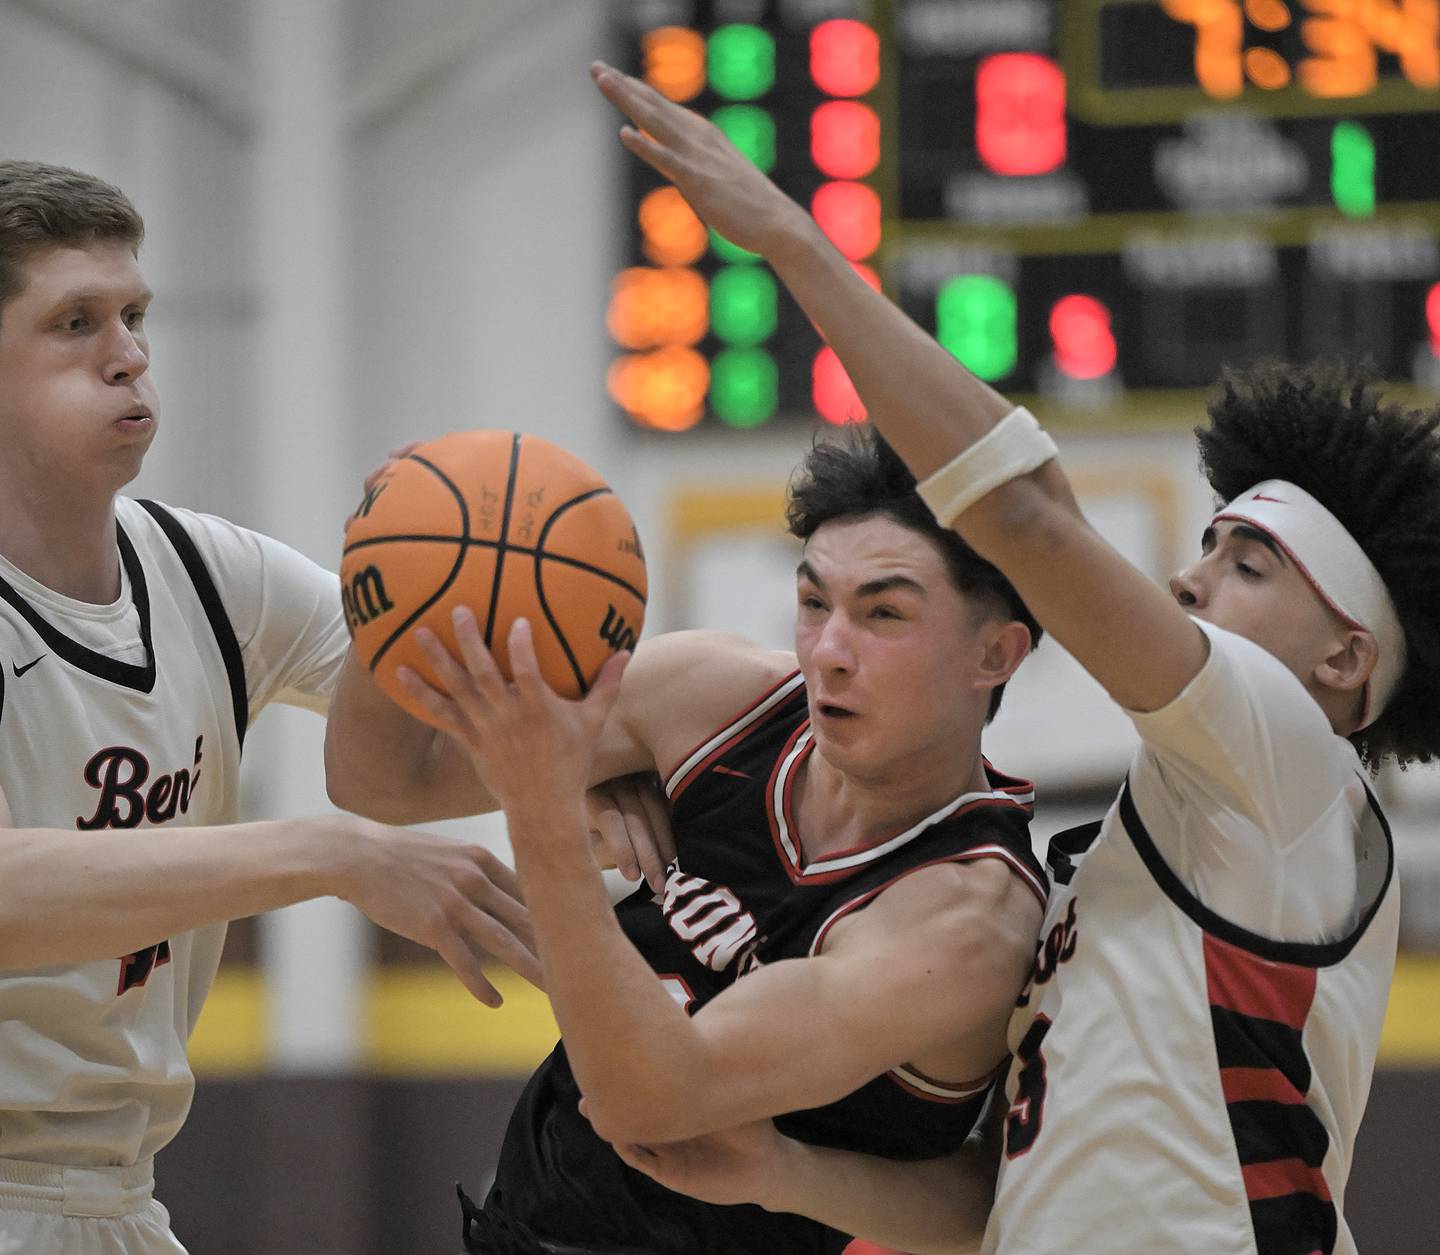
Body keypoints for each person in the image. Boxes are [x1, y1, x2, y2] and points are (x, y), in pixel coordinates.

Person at [582, 60, 1440, 1255]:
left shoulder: (1291, 759)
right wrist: (784, 1169)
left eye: (1248, 567)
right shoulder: (1171, 847)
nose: (1191, 579)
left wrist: (794, 243)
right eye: (1207, 547)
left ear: (1347, 659)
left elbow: (1025, 515)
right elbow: (990, 1197)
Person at [327, 429, 1049, 1254]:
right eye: (815, 603)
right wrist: (393, 570)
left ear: (995, 652)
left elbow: (651, 1101)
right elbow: (383, 780)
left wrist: (544, 812)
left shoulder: (964, 916)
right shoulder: (718, 698)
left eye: (883, 613)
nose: (830, 652)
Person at [0, 159, 540, 1255]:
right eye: (75, 323)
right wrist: (328, 855)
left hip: (112, 1196)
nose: (131, 353)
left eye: (137, 314)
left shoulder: (211, 572)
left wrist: (419, 585)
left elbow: (425, 752)